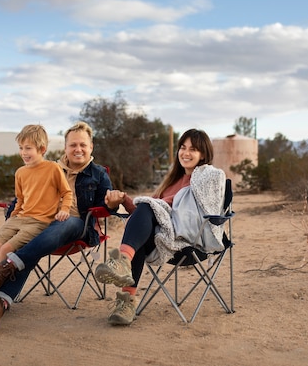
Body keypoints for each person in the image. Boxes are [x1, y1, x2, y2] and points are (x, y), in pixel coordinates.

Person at [0, 121, 126, 333]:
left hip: (78, 226)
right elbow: (24, 196)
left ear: (91, 147)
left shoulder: (98, 173)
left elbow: (106, 206)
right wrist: (13, 213)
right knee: (27, 240)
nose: (78, 149)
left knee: (58, 227)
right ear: (65, 147)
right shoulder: (49, 168)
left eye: (83, 145)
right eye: (73, 145)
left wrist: (111, 203)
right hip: (41, 223)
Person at [94, 128, 226, 326]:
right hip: (162, 235)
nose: (186, 153)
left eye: (193, 149)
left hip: (189, 241)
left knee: (148, 210)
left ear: (204, 154)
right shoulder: (172, 181)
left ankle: (123, 262)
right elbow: (146, 217)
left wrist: (155, 203)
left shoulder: (206, 178)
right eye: (182, 147)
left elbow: (212, 185)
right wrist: (123, 200)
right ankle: (126, 300)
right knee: (142, 228)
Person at [0, 124, 72, 274]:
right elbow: (20, 199)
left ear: (42, 149)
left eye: (28, 148)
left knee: (5, 250)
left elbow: (67, 193)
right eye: (21, 148)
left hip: (39, 222)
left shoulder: (53, 168)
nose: (23, 152)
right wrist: (12, 216)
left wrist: (64, 209)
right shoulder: (20, 173)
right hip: (19, 218)